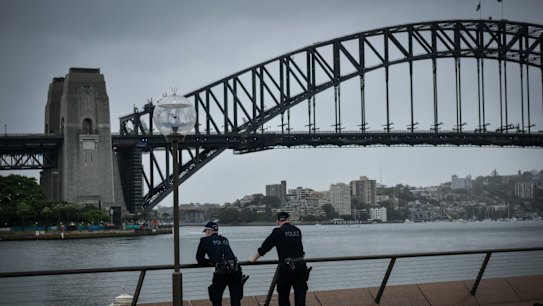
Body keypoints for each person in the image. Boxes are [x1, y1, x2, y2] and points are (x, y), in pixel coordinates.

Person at [248, 212, 309, 306]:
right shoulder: (297, 230)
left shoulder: (278, 232)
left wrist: (253, 259)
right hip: (301, 264)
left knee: (283, 295)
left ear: (277, 221)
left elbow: (265, 247)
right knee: (300, 294)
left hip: (287, 267)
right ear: (289, 220)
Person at [196, 221, 243, 306]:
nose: (205, 233)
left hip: (222, 271)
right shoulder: (224, 239)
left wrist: (211, 262)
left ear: (209, 231)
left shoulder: (204, 240)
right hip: (236, 269)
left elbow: (199, 259)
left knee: (216, 297)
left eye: (205, 231)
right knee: (235, 298)